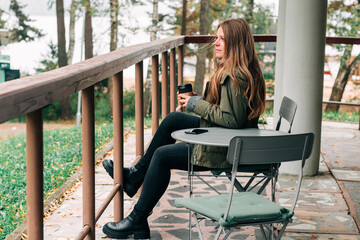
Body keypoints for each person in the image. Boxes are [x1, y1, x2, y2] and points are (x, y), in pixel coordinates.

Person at [102, 18, 266, 239]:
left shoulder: (235, 76)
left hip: (225, 150)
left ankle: (137, 219)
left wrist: (195, 104)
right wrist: (198, 100)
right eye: (216, 38)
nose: (215, 43)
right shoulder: (243, 70)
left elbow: (231, 120)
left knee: (162, 156)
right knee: (173, 120)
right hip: (230, 139)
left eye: (222, 39)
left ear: (236, 43)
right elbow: (230, 114)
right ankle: (135, 175)